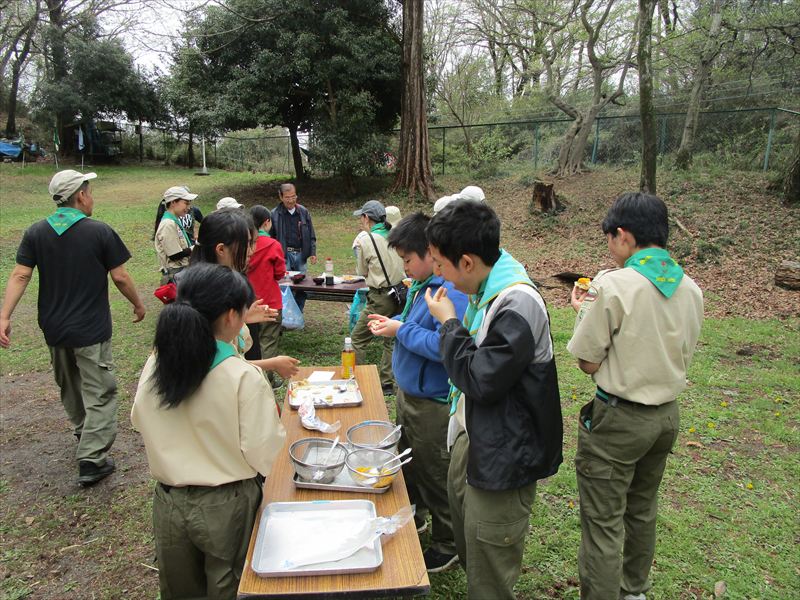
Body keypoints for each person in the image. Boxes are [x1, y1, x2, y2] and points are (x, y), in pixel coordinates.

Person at [424, 199, 563, 600]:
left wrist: (449, 322)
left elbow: (481, 379)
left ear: (467, 262)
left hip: (504, 455)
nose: (438, 273)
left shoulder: (517, 302)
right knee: (473, 548)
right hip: (477, 439)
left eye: (441, 264)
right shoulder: (489, 288)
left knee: (489, 572)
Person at [567, 192, 703, 600]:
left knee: (603, 520)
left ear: (623, 235)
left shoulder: (614, 284)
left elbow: (588, 362)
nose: (610, 247)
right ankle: (634, 590)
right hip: (665, 417)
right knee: (642, 508)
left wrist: (583, 311)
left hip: (620, 421)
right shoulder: (690, 288)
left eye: (610, 239)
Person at [131, 263, 285, 600]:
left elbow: (139, 418)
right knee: (229, 586)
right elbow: (264, 453)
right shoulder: (242, 376)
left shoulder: (158, 362)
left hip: (169, 502)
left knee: (179, 589)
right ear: (231, 316)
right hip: (226, 504)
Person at [0, 170, 146, 486]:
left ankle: (84, 432)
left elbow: (20, 275)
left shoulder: (36, 232)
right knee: (100, 389)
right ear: (80, 195)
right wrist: (138, 304)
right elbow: (120, 276)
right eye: (89, 192)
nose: (91, 197)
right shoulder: (99, 231)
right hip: (90, 328)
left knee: (70, 384)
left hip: (54, 328)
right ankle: (92, 459)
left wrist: (4, 316)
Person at [368, 212, 467, 573]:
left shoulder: (450, 291)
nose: (405, 267)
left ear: (430, 252)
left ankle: (447, 542)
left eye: (408, 259)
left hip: (432, 403)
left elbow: (446, 346)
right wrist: (396, 323)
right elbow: (413, 326)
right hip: (410, 396)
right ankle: (418, 516)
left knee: (436, 472)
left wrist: (400, 331)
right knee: (410, 463)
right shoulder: (422, 285)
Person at [190, 208, 300, 382]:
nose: (251, 251)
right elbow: (218, 365)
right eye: (247, 244)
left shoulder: (214, 283)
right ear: (221, 249)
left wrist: (242, 318)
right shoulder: (210, 293)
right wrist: (273, 363)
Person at [351, 200, 405, 394]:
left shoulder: (366, 240)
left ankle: (357, 380)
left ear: (367, 218)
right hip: (400, 294)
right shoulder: (396, 235)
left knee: (357, 339)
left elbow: (362, 271)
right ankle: (387, 382)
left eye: (361, 217)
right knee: (391, 339)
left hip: (380, 297)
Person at [247, 205, 287, 384]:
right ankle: (266, 379)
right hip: (270, 300)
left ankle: (253, 378)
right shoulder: (273, 245)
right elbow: (279, 273)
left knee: (251, 343)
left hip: (249, 302)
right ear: (267, 222)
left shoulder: (245, 244)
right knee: (269, 341)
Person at [269, 183, 316, 311]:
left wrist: (313, 252)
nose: (291, 200)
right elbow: (271, 237)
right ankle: (286, 314)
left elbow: (311, 234)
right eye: (287, 197)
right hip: (283, 255)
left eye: (293, 196)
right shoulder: (274, 214)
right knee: (284, 285)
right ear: (281, 197)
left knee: (302, 286)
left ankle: (298, 312)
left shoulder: (303, 212)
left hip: (301, 254)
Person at [154, 186, 196, 283]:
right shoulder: (168, 224)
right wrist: (195, 247)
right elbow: (174, 255)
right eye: (186, 203)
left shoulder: (174, 221)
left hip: (181, 273)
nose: (188, 207)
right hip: (176, 275)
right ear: (173, 202)